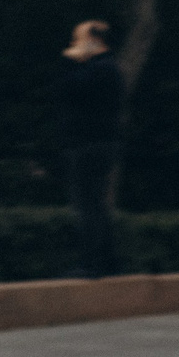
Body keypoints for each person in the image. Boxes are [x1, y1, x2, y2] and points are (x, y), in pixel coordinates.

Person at [58, 20, 123, 278]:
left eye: (77, 39)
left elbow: (68, 90)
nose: (73, 45)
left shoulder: (101, 68)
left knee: (87, 206)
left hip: (90, 147)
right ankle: (107, 263)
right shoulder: (104, 68)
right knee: (95, 204)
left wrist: (68, 60)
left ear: (93, 41)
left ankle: (92, 265)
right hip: (96, 146)